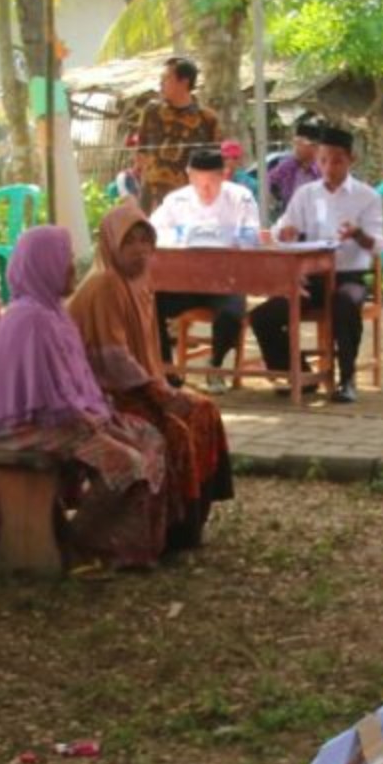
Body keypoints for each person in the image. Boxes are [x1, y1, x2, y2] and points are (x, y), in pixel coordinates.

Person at [0, 226, 171, 567]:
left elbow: (78, 383)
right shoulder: (31, 319)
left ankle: (118, 542)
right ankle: (86, 541)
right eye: (63, 259)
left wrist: (102, 416)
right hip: (26, 429)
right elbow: (51, 399)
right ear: (43, 264)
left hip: (61, 420)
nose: (71, 267)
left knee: (148, 436)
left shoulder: (54, 313)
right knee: (125, 461)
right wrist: (96, 425)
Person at [71, 204, 235, 544]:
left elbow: (147, 352)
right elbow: (113, 361)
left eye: (146, 241)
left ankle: (193, 519)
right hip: (109, 396)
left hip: (142, 387)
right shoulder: (106, 284)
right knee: (174, 431)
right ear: (111, 244)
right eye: (130, 242)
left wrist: (161, 387)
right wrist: (158, 392)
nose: (140, 250)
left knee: (204, 412)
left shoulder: (139, 282)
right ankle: (173, 530)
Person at [249, 127, 383, 402]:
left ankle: (346, 379)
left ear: (351, 160)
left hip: (349, 276)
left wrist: (358, 233)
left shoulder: (367, 196)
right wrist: (284, 233)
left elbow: (378, 245)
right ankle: (298, 373)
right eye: (323, 160)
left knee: (345, 304)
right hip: (310, 278)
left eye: (337, 161)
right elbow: (281, 229)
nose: (329, 168)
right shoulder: (306, 194)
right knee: (263, 316)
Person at [150, 147, 262, 379]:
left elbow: (252, 236)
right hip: (184, 281)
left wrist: (226, 238)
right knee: (149, 304)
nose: (206, 188)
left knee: (232, 315)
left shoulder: (240, 197)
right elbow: (153, 232)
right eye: (199, 182)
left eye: (212, 181)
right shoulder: (176, 200)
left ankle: (215, 363)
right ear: (189, 175)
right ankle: (166, 369)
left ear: (224, 175)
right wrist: (183, 237)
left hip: (225, 281)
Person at [125, 56, 219, 212]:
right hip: (152, 202)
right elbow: (140, 153)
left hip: (189, 204)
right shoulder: (151, 112)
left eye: (166, 78)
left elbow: (213, 166)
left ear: (184, 82)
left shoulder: (207, 120)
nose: (160, 83)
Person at [268, 114, 326, 214]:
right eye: (295, 143)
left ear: (314, 147)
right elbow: (269, 180)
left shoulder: (324, 170)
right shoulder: (288, 166)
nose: (296, 148)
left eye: (300, 144)